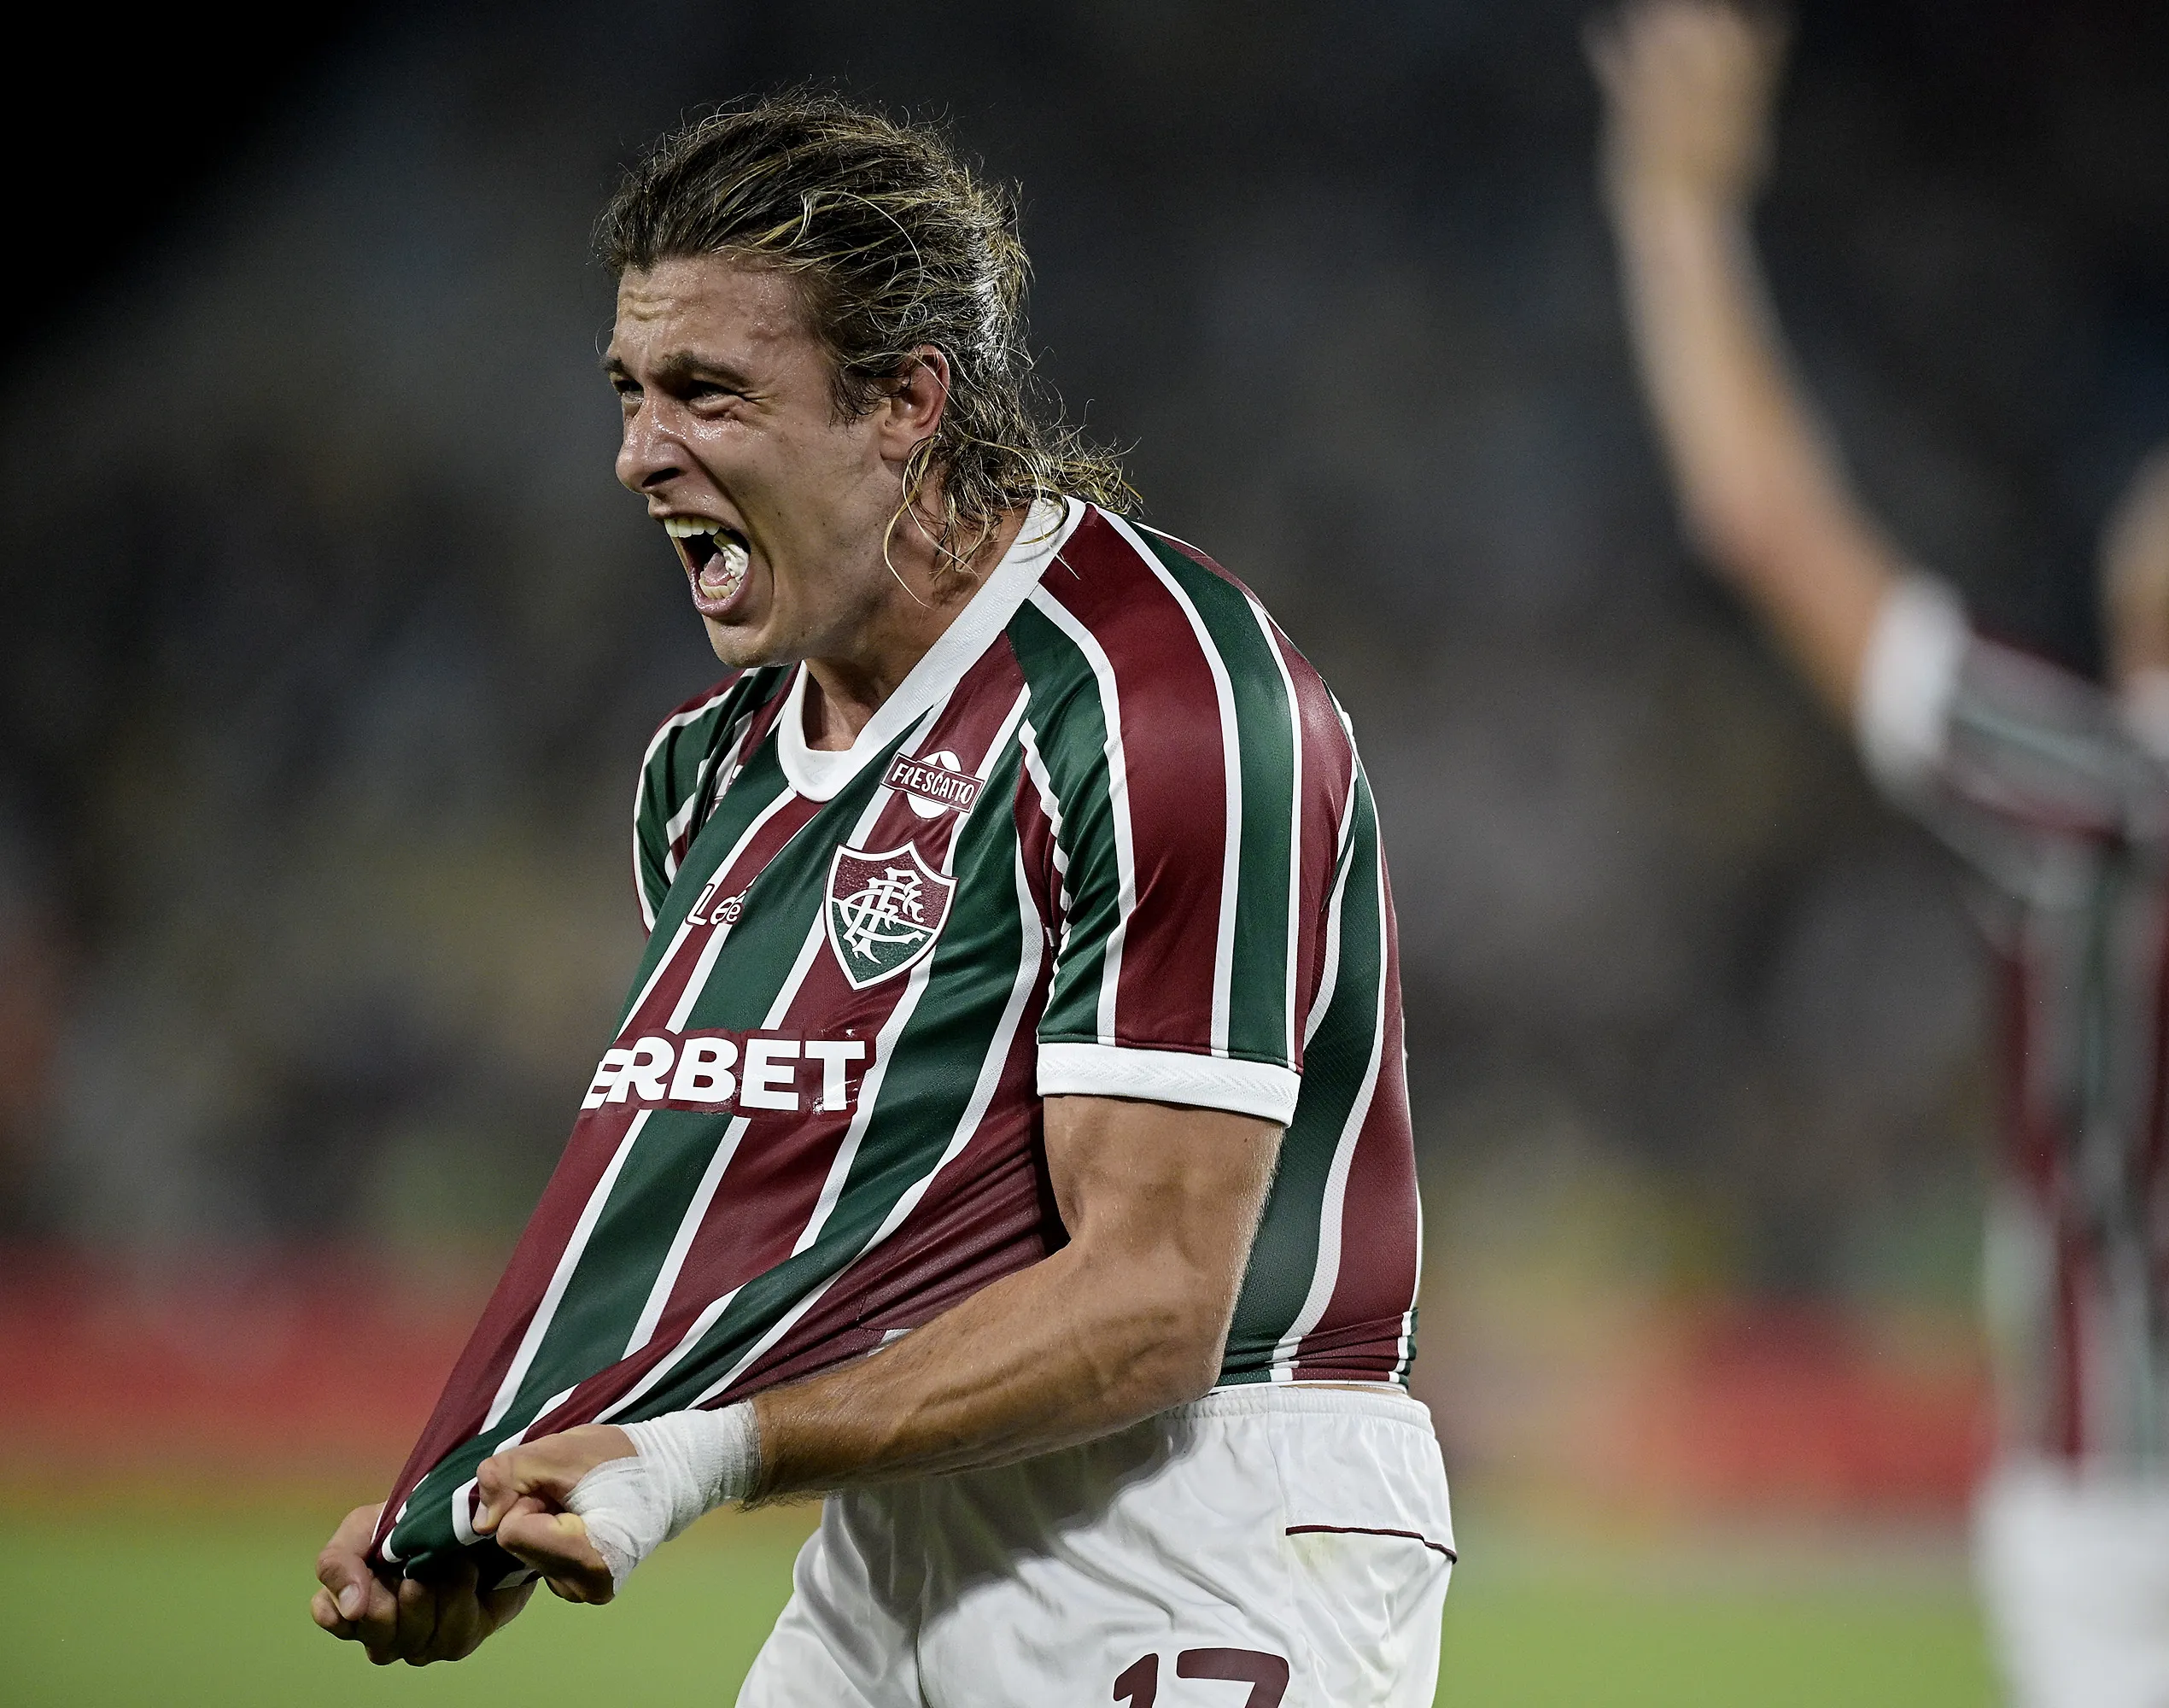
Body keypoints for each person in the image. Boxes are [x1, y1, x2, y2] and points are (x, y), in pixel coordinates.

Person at [309, 96, 1449, 1704]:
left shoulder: (1158, 702)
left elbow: (1154, 1305)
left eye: (709, 391)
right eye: (631, 393)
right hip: (894, 1518)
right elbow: (752, 1220)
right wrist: (496, 1506)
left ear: (907, 403)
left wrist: (698, 1462)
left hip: (1212, 1500)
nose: (640, 453)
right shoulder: (708, 777)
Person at [1590, 3, 2169, 1704]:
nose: (2138, 507)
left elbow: (1770, 520)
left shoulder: (2087, 790)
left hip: (2130, 1483)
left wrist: (1676, 198)